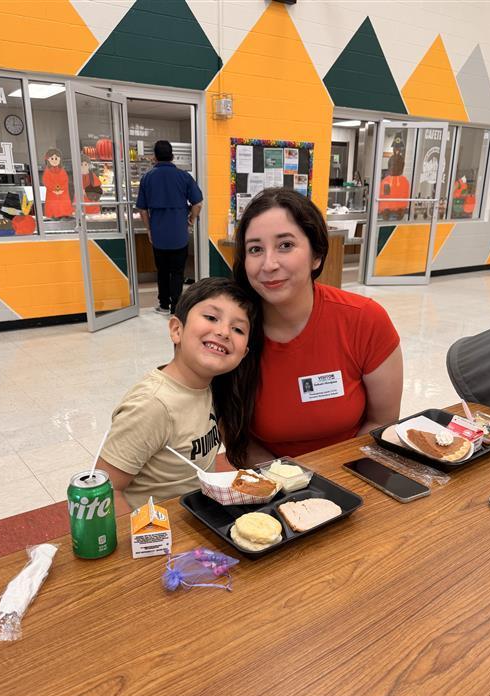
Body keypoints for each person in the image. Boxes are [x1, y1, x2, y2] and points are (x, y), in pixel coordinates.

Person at [232, 187, 403, 460]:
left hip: (353, 469)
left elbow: (382, 422)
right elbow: (236, 436)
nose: (269, 264)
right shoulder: (232, 331)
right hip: (269, 477)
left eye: (285, 245)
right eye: (255, 249)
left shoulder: (364, 319)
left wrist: (335, 477)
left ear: (317, 256)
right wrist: (287, 480)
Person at [96, 277, 262, 515]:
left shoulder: (211, 388)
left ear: (243, 354)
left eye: (238, 329)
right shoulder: (152, 405)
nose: (224, 332)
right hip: (157, 530)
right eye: (211, 317)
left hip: (197, 516)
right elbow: (106, 490)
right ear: (177, 330)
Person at [136, 140, 203, 315]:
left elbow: (142, 209)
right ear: (172, 156)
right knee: (178, 272)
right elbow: (198, 203)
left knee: (162, 271)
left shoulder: (147, 178)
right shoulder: (184, 177)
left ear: (155, 157)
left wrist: (149, 229)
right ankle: (176, 307)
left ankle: (164, 305)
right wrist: (191, 219)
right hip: (179, 234)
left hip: (158, 235)